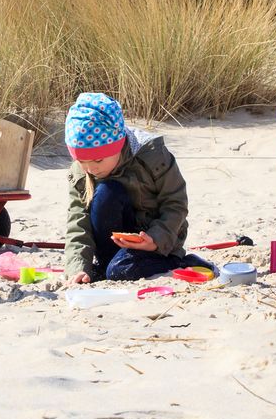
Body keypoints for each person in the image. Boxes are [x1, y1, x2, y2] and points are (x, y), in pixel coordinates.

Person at [63, 92, 214, 284]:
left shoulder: (152, 156)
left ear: (117, 146)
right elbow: (78, 220)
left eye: (98, 160)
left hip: (158, 243)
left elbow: (175, 204)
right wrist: (78, 267)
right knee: (106, 193)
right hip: (115, 245)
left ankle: (183, 262)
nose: (91, 168)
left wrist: (155, 239)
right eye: (82, 161)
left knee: (120, 270)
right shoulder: (81, 171)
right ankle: (108, 264)